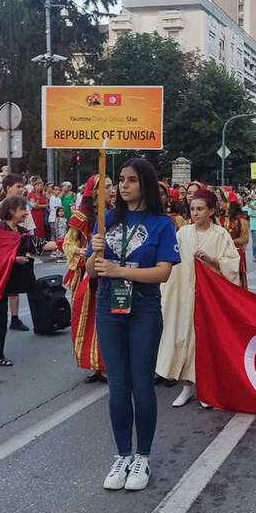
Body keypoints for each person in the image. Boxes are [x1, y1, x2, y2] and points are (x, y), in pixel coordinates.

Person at [89, 158, 179, 492]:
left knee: (142, 384)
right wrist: (94, 254)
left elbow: (163, 272)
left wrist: (120, 271)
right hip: (108, 306)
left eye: (130, 180)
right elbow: (90, 270)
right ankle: (122, 455)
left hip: (142, 307)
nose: (122, 186)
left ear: (145, 184)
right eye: (120, 180)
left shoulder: (162, 223)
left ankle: (142, 455)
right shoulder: (107, 219)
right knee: (117, 384)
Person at [158, 188, 240, 408]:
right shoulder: (183, 233)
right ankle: (186, 387)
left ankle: (206, 389)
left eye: (200, 209)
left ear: (211, 210)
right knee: (183, 337)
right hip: (184, 294)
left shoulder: (220, 234)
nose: (195, 213)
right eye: (193, 209)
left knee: (205, 342)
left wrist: (211, 260)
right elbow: (170, 260)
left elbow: (232, 265)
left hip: (210, 300)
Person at [0, 195, 57, 369]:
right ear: (11, 210)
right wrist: (14, 259)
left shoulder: (20, 231)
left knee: (1, 319)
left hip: (2, 282)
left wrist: (65, 243)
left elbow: (39, 244)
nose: (26, 213)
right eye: (23, 209)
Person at [65, 175, 113, 383]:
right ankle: (92, 363)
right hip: (87, 273)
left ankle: (106, 364)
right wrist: (83, 252)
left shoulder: (115, 214)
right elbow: (67, 244)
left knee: (106, 321)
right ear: (94, 192)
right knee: (85, 319)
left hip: (110, 272)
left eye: (113, 186)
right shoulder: (81, 216)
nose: (113, 190)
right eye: (108, 186)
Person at [0, 174, 36, 332]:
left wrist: (29, 250)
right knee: (0, 289)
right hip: (2, 258)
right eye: (18, 186)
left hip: (20, 255)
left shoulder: (25, 209)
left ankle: (14, 318)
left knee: (16, 287)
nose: (22, 189)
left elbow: (29, 233)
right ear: (8, 188)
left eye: (23, 186)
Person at [216, 187, 250, 290]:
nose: (219, 203)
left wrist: (229, 242)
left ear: (229, 202)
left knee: (236, 280)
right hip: (220, 252)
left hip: (235, 253)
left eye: (221, 200)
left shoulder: (241, 219)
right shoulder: (218, 218)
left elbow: (244, 238)